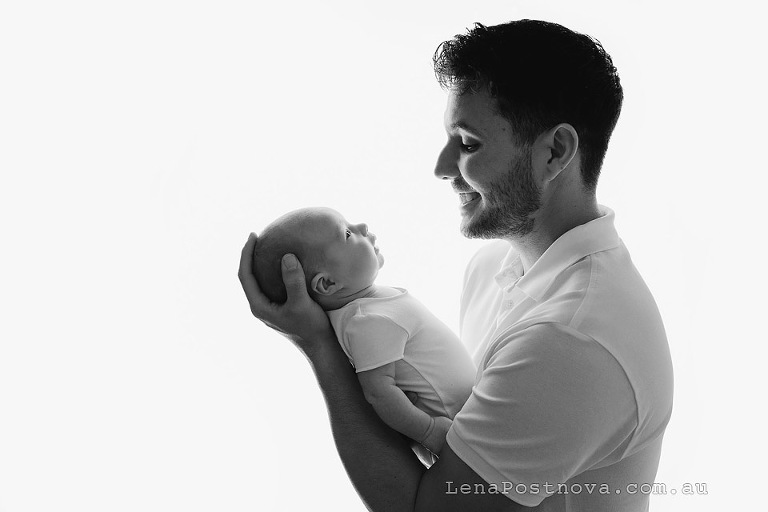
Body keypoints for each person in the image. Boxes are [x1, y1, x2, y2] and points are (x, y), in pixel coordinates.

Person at [239, 19, 673, 512]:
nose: (443, 167)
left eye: (468, 144)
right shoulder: (492, 268)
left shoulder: (571, 337)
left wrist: (318, 343)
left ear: (555, 152)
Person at [253, 206, 476, 464]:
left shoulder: (371, 308)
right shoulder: (366, 321)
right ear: (327, 284)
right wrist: (428, 430)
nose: (362, 227)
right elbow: (379, 392)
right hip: (457, 434)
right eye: (347, 233)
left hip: (470, 420)